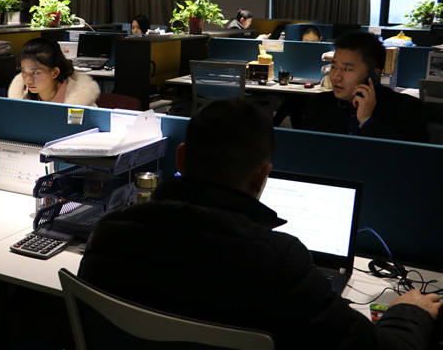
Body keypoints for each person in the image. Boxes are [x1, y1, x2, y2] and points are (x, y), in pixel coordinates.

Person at [78, 99, 439, 349]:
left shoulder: (109, 234)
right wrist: (408, 312)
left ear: (181, 158)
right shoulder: (279, 264)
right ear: (262, 176)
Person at [301, 31, 428, 142]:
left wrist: (367, 120)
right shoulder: (318, 104)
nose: (336, 77)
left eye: (347, 69)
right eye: (334, 67)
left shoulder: (407, 109)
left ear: (374, 75)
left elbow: (411, 157)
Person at [8, 37, 100, 107]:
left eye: (35, 73)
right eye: (24, 71)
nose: (28, 80)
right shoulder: (21, 98)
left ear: (55, 72)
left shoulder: (81, 101)